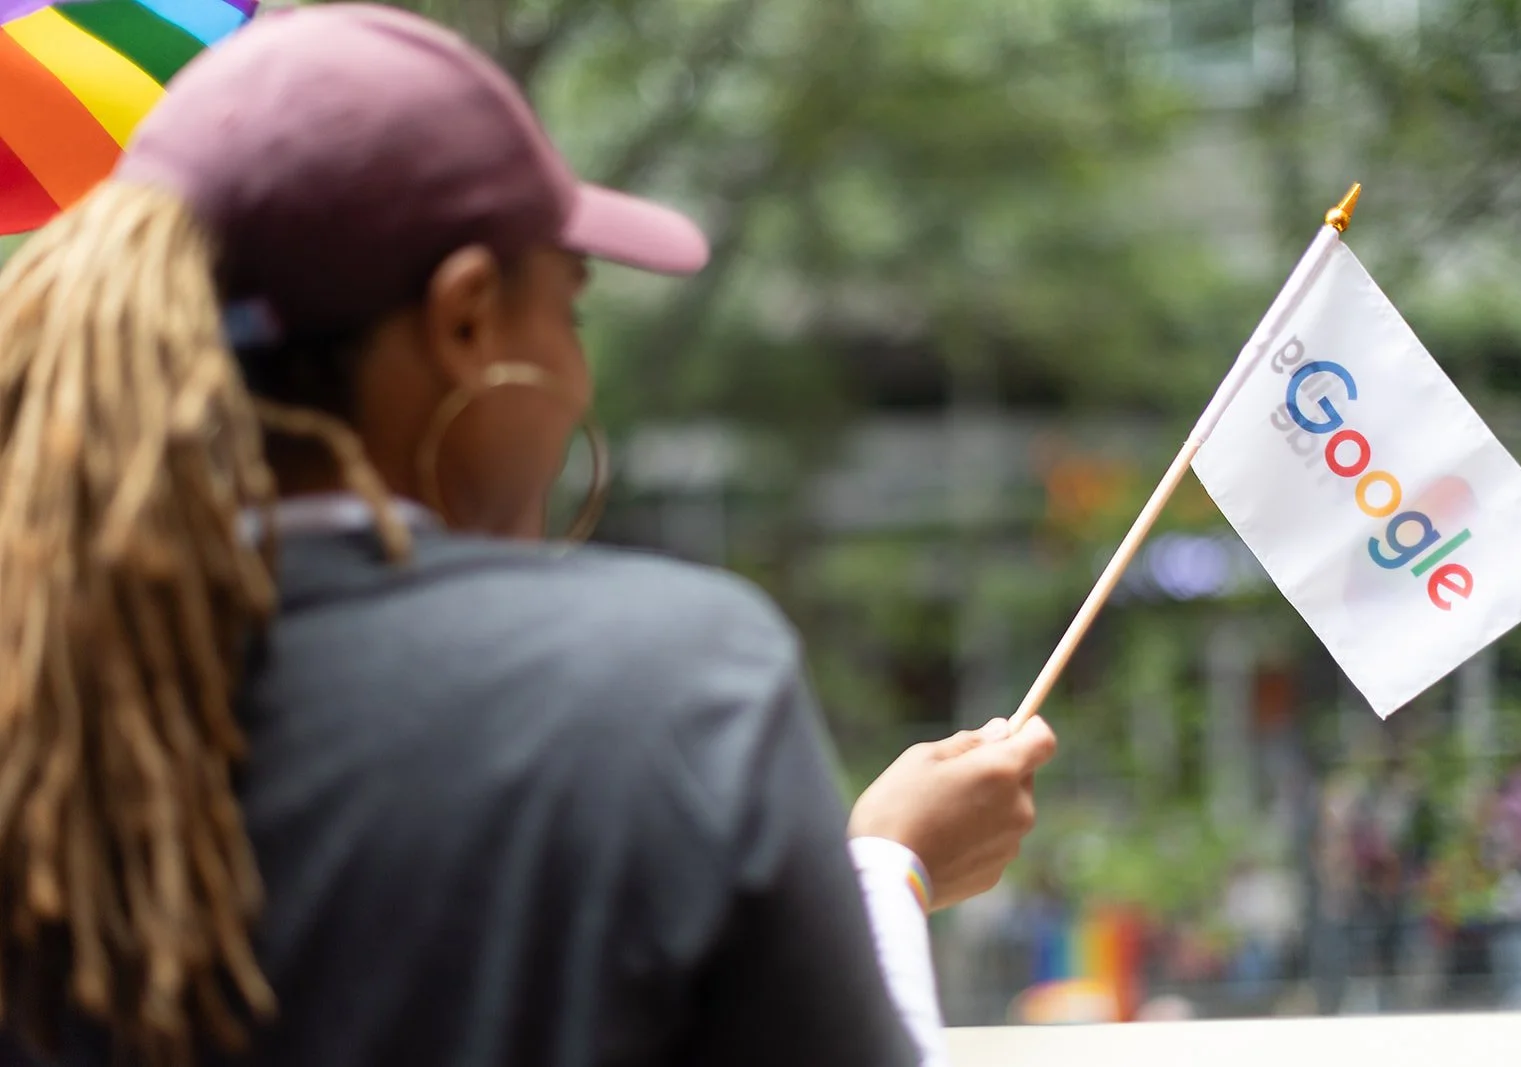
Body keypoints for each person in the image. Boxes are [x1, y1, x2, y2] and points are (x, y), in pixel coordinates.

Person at [0, 5, 1058, 1067]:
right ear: (465, 319)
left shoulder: (35, 693)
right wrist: (887, 869)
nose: (576, 377)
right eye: (573, 310)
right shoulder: (670, 687)